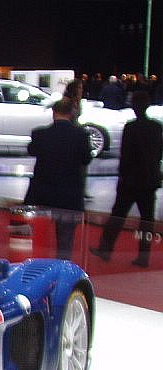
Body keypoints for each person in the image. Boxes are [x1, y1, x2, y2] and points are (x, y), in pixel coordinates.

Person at [91, 91, 163, 267]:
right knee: (147, 220)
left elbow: (127, 156)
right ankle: (144, 255)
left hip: (131, 181)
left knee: (118, 216)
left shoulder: (131, 128)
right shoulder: (157, 127)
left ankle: (106, 248)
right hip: (150, 179)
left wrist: (122, 177)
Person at [25, 97, 92, 259]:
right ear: (71, 113)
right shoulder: (81, 135)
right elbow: (86, 159)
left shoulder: (40, 134)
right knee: (66, 241)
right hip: (69, 196)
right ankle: (62, 273)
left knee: (38, 239)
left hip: (42, 194)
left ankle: (37, 271)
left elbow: (32, 151)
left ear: (54, 113)